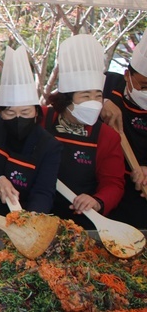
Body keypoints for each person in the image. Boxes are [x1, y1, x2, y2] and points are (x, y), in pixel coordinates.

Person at [43, 34, 125, 229]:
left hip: (81, 224)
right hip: (34, 214)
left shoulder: (108, 136)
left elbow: (114, 183)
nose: (93, 102)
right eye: (85, 96)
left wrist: (97, 200)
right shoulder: (41, 118)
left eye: (97, 96)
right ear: (67, 99)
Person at [0, 46, 62, 216]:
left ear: (36, 113)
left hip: (23, 216)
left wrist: (32, 219)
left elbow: (43, 191)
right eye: (10, 113)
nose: (18, 119)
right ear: (1, 113)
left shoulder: (49, 145)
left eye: (25, 113)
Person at [103, 34, 147, 229]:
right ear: (127, 75)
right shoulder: (107, 84)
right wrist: (100, 102)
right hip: (101, 186)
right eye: (144, 86)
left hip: (138, 193)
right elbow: (68, 100)